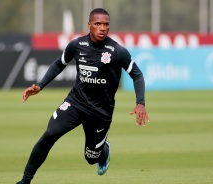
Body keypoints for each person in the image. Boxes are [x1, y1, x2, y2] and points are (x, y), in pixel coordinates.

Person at [17, 8, 150, 184]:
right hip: (76, 102)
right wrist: (40, 86)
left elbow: (137, 75)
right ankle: (25, 180)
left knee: (91, 158)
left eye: (106, 24)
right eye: (97, 24)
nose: (102, 28)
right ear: (89, 25)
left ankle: (103, 151)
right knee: (49, 134)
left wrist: (140, 103)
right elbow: (59, 64)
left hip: (100, 112)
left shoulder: (117, 51)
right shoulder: (77, 45)